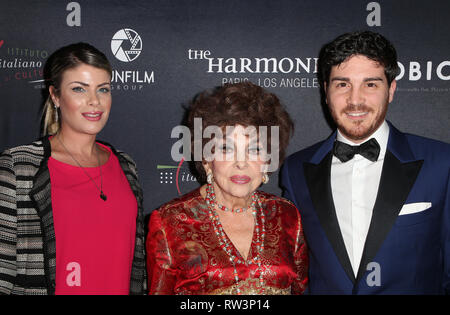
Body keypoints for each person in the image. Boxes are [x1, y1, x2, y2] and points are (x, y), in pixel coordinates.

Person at [281, 31, 450, 294]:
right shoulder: (296, 170)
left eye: (370, 84)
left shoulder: (442, 163)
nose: (355, 99)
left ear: (391, 90)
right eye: (342, 84)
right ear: (326, 91)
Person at [0, 43, 146, 295]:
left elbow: (138, 268)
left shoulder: (126, 166)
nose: (94, 101)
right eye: (79, 89)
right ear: (55, 96)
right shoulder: (19, 166)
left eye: (103, 89)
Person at [146, 82, 308, 295]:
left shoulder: (287, 216)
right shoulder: (171, 222)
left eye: (254, 149)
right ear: (206, 158)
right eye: (226, 148)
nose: (241, 163)